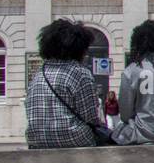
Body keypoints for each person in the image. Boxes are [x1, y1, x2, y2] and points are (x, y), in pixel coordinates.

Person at [25, 18, 112, 149]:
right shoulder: (80, 73)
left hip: (37, 139)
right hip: (74, 138)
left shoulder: (38, 74)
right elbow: (91, 118)